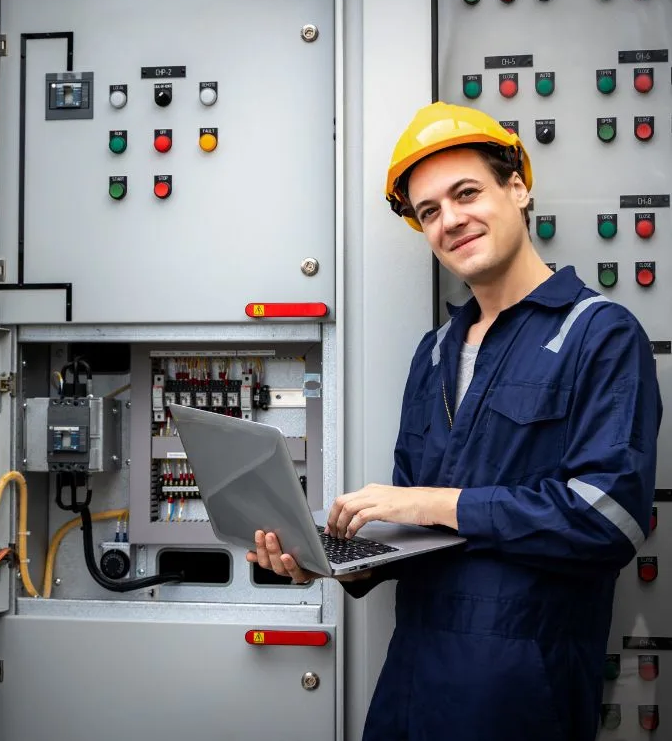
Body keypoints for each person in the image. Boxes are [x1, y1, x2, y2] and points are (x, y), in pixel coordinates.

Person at [247, 102, 662, 741]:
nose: (450, 221)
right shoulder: (436, 350)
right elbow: (413, 530)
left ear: (518, 187)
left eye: (466, 193)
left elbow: (609, 518)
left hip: (522, 696)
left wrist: (432, 503)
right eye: (429, 211)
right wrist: (330, 561)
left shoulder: (598, 334)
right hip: (410, 689)